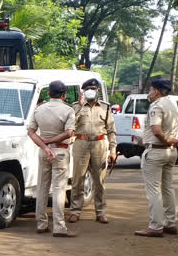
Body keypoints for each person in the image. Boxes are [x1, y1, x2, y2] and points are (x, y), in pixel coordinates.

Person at [27, 80, 77, 237]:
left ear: (48, 94)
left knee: (42, 187)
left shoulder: (39, 109)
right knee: (58, 189)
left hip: (44, 152)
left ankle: (41, 224)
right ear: (64, 95)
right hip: (60, 151)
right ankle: (59, 227)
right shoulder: (68, 110)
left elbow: (31, 132)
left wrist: (45, 146)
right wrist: (52, 142)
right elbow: (69, 133)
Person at [135, 78, 178, 237]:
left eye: (151, 89)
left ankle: (155, 226)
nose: (150, 92)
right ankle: (170, 222)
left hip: (156, 151)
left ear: (157, 91)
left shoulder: (157, 105)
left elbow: (156, 130)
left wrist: (166, 139)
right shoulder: (172, 104)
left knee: (153, 190)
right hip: (170, 152)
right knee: (168, 188)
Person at [68, 78, 117, 224]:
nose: (91, 90)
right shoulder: (75, 106)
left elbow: (111, 130)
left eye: (94, 88)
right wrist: (80, 106)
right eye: (88, 88)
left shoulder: (105, 107)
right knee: (78, 179)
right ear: (83, 91)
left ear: (98, 91)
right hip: (81, 143)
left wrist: (113, 150)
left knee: (99, 180)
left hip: (99, 144)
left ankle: (101, 212)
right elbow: (70, 126)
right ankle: (75, 211)